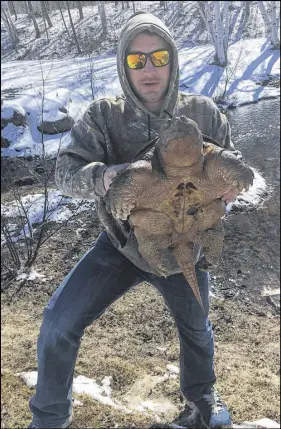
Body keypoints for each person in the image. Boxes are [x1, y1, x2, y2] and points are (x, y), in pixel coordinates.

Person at [28, 11, 240, 429]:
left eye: (158, 57)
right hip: (121, 244)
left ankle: (202, 408)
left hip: (184, 243)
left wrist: (227, 192)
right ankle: (49, 419)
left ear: (173, 60)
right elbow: (64, 171)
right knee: (58, 323)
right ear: (124, 64)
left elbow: (231, 163)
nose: (148, 68)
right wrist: (103, 177)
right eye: (136, 59)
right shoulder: (103, 116)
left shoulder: (204, 112)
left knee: (197, 331)